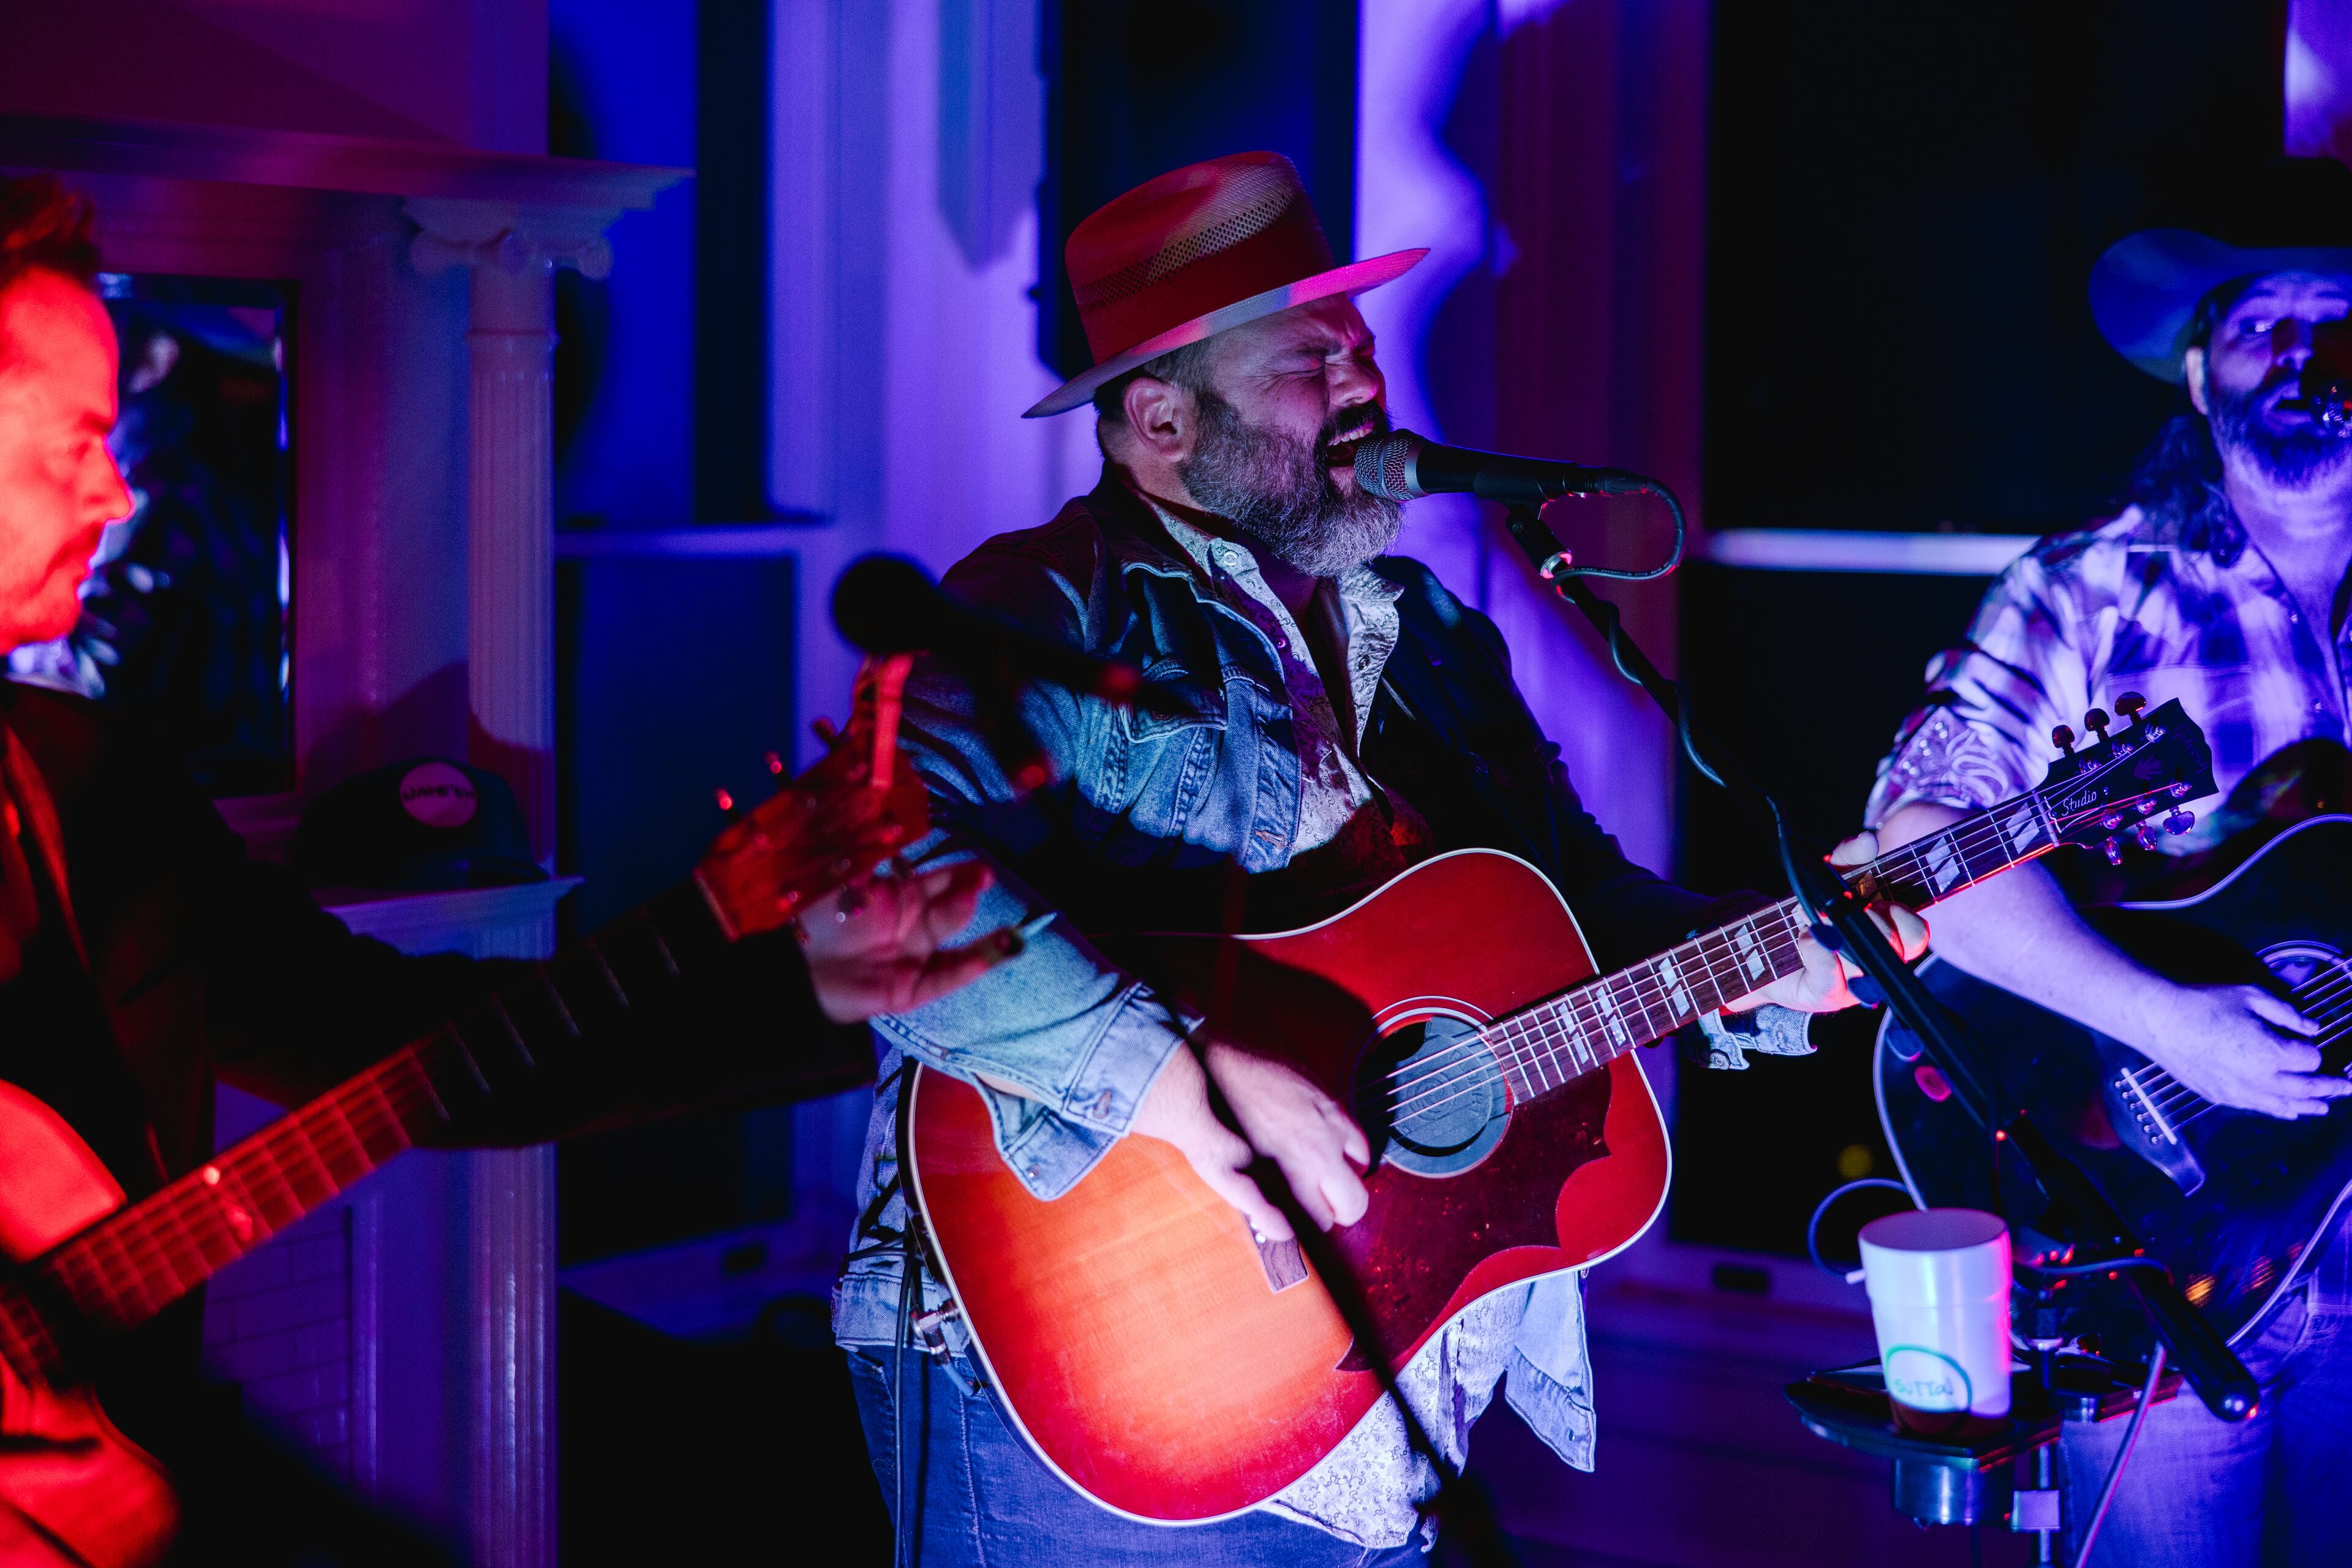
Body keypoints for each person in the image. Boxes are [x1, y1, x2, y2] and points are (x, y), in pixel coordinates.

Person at [834, 151, 1920, 1566]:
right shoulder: (1050, 602)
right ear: (1161, 417)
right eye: (1308, 359)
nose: (1364, 383)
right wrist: (1185, 1081)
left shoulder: (1434, 635)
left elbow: (1577, 907)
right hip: (1079, 1375)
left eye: (1360, 346)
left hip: (1387, 1399)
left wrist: (1759, 955)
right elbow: (867, 884)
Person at [0, 173, 1011, 1562]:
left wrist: (793, 981)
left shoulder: (93, 784)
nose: (117, 490)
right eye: (74, 442)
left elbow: (393, 1047)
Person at [1866, 162, 2352, 1566]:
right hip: (2163, 1251)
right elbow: (1919, 845)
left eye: (2339, 322)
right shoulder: (2088, 591)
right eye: (2263, 325)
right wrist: (2170, 1023)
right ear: (2200, 372)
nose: (2305, 357)